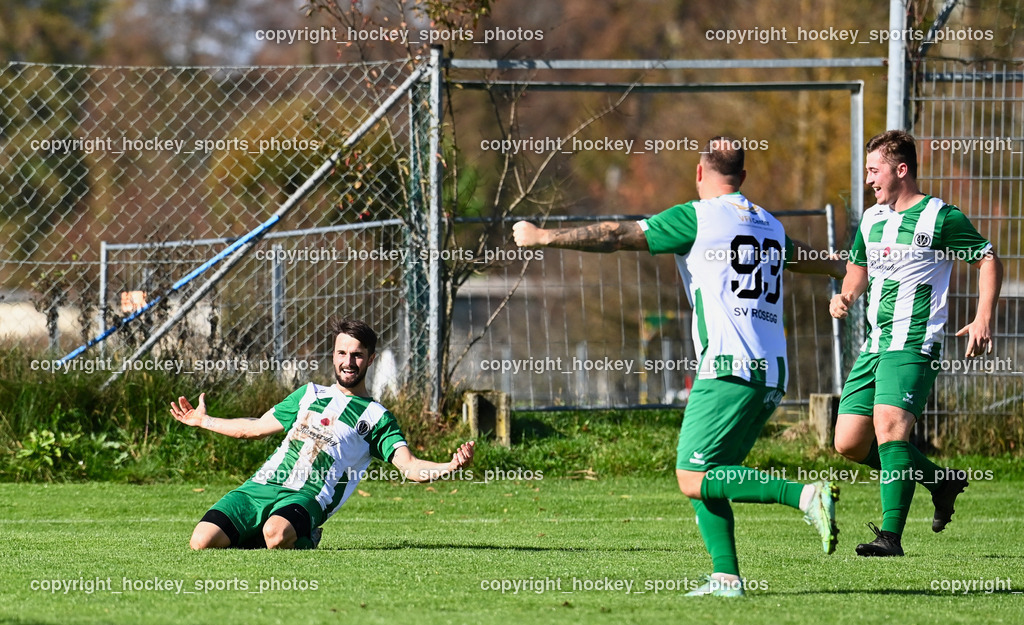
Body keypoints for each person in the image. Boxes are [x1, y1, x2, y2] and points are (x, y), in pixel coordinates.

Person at [513, 136, 845, 596]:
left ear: (698, 171)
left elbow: (613, 235)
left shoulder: (696, 216)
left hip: (727, 367)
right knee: (712, 473)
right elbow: (809, 259)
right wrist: (841, 271)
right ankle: (726, 578)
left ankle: (806, 496)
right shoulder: (769, 223)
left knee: (692, 476)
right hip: (772, 372)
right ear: (743, 179)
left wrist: (542, 237)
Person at [830, 130, 1002, 557]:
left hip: (914, 344)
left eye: (874, 170)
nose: (869, 179)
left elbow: (987, 258)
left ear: (900, 170)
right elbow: (857, 267)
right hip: (875, 345)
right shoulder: (872, 219)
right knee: (849, 443)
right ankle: (939, 481)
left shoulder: (941, 217)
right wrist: (848, 294)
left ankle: (890, 538)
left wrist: (983, 317)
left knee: (890, 430)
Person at [171, 318, 474, 550]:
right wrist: (204, 421)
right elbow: (252, 429)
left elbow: (408, 466)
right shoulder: (308, 394)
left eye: (357, 355)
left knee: (275, 535)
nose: (348, 362)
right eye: (342, 352)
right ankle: (268, 526)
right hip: (262, 485)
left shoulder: (377, 416)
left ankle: (304, 536)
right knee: (201, 541)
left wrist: (448, 467)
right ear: (333, 354)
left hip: (308, 495)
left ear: (370, 359)